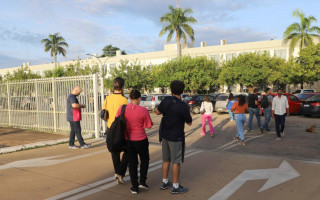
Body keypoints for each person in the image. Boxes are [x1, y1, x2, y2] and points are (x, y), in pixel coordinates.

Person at [156, 80, 192, 194]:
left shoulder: (166, 100)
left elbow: (157, 112)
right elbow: (189, 122)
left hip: (165, 134)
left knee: (166, 160)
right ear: (182, 91)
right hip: (176, 137)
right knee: (176, 161)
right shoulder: (183, 105)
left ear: (171, 89)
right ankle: (175, 186)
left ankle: (165, 182)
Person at [116, 90, 153, 194]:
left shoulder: (122, 108)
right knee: (144, 159)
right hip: (141, 139)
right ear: (139, 98)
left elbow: (117, 120)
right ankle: (142, 182)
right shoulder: (143, 110)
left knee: (132, 163)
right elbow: (148, 126)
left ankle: (134, 187)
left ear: (129, 98)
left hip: (127, 140)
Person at [102, 77, 128, 183]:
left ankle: (118, 173)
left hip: (110, 128)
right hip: (121, 128)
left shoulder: (108, 98)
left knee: (114, 152)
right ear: (122, 86)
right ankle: (120, 172)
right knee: (127, 150)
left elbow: (104, 112)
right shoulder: (124, 100)